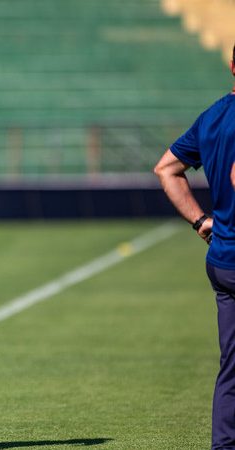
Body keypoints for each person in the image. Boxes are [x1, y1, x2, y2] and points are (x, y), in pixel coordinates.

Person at [154, 44, 235, 450]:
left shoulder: (214, 116)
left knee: (232, 368)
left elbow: (166, 168)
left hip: (223, 259)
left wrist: (200, 220)